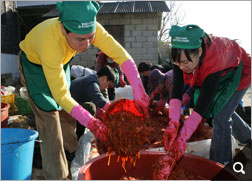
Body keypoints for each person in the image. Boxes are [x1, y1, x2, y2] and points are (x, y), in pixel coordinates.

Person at [18, 1, 148, 179]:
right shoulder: (50, 42)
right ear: (64, 30)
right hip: (35, 66)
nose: (87, 45)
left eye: (90, 37)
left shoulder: (90, 29)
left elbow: (122, 56)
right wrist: (94, 124)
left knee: (66, 113)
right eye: (80, 39)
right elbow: (61, 95)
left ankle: (71, 152)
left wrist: (140, 92)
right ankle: (59, 175)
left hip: (60, 63)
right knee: (50, 122)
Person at [164, 24, 251, 165]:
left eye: (185, 62)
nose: (181, 67)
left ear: (198, 51)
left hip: (239, 73)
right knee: (223, 109)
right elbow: (177, 88)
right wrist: (173, 122)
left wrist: (182, 138)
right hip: (218, 76)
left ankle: (221, 163)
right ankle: (247, 136)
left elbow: (204, 102)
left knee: (220, 117)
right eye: (177, 63)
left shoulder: (214, 57)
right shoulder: (180, 54)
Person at [70, 65, 116, 140]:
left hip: (74, 103)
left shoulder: (93, 78)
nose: (106, 88)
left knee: (96, 109)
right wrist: (114, 110)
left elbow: (100, 99)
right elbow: (98, 98)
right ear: (104, 79)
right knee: (91, 107)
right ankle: (78, 135)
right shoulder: (92, 82)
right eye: (107, 85)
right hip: (66, 107)